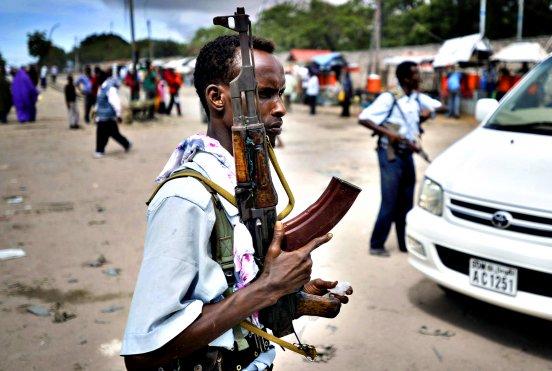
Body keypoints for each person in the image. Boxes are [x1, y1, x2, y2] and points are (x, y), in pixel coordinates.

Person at [120, 34, 352, 370]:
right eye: (265, 94)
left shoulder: (247, 183)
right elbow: (142, 355)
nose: (281, 108)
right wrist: (269, 287)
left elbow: (233, 290)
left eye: (281, 94)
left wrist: (292, 296)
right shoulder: (188, 197)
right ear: (217, 97)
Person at [358, 61, 445, 257]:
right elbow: (364, 118)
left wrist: (427, 113)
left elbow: (442, 107)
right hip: (390, 153)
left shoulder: (416, 98)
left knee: (406, 200)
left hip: (407, 153)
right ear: (405, 78)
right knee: (390, 200)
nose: (419, 78)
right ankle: (376, 244)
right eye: (416, 74)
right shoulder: (390, 98)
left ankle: (404, 243)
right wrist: (391, 134)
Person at [94, 69, 131, 157]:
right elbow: (99, 101)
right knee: (113, 133)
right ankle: (126, 144)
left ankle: (99, 150)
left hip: (108, 116)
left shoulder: (110, 88)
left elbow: (115, 102)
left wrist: (118, 115)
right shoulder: (101, 88)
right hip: (102, 116)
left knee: (102, 133)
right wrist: (96, 113)